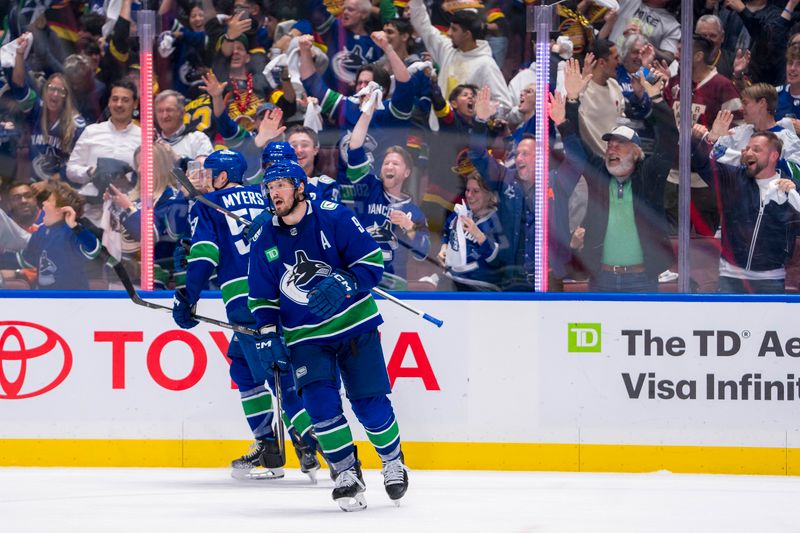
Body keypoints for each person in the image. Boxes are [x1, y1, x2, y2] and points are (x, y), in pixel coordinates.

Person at [247, 160, 409, 511]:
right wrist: (268, 335)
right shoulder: (264, 239)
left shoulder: (333, 216)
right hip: (305, 338)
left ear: (299, 187)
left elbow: (371, 262)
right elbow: (262, 298)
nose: (274, 192)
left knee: (370, 404)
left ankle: (393, 461)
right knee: (320, 406)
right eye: (269, 186)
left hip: (354, 325)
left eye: (281, 185)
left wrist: (346, 281)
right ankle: (346, 472)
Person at [172, 149, 322, 481]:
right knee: (244, 368)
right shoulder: (265, 195)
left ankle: (312, 442)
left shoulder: (208, 206)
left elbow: (206, 253)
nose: (206, 179)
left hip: (246, 298)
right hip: (283, 290)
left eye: (210, 173)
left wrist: (189, 295)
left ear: (223, 177)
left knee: (275, 374)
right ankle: (269, 447)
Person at [552, 62, 677, 293]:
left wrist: (657, 99)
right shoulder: (599, 173)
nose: (612, 149)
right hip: (602, 277)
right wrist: (571, 101)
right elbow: (576, 146)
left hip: (642, 279)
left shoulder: (649, 176)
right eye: (609, 144)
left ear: (636, 152)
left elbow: (669, 139)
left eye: (620, 144)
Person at [692, 121, 800, 293]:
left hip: (770, 279)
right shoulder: (733, 179)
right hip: (730, 276)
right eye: (747, 148)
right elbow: (701, 163)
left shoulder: (790, 189)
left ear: (773, 156)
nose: (747, 153)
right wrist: (709, 139)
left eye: (756, 150)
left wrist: (794, 198)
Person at [347, 101, 431, 290]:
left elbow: (422, 253)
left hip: (395, 282)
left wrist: (409, 227)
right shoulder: (369, 188)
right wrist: (367, 114)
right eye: (386, 163)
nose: (389, 167)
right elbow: (354, 148)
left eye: (395, 164)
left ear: (407, 172)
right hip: (362, 275)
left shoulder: (413, 211)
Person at [10, 33, 86, 184]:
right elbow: (19, 85)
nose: (55, 94)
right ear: (45, 91)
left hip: (61, 187)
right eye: (51, 88)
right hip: (33, 182)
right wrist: (19, 54)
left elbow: (81, 161)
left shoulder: (77, 124)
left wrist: (49, 183)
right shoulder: (36, 109)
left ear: (66, 96)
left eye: (60, 91)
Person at [408, 0, 512, 110]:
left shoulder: (486, 65)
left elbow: (504, 105)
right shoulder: (447, 49)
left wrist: (474, 111)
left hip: (466, 127)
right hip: (437, 124)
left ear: (467, 34)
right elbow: (423, 26)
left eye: (454, 29)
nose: (449, 33)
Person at [66, 78, 141, 227]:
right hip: (89, 212)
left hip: (124, 215)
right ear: (109, 102)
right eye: (115, 99)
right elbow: (70, 169)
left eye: (125, 100)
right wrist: (91, 172)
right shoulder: (91, 131)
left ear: (135, 104)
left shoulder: (143, 137)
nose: (119, 104)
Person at [17, 181, 101, 290]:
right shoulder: (41, 231)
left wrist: (75, 227)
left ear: (60, 210)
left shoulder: (74, 232)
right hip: (46, 299)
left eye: (48, 201)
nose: (43, 203)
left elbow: (94, 250)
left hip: (74, 300)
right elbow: (26, 259)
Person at [438, 174, 507, 291]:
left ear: (489, 194)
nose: (469, 195)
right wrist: (444, 248)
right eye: (468, 190)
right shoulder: (461, 212)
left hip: (480, 287)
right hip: (451, 280)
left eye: (476, 191)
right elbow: (447, 233)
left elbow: (498, 261)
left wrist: (478, 234)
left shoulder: (498, 220)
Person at [154, 90, 214, 160]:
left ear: (182, 113)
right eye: (160, 111)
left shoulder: (198, 139)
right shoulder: (152, 145)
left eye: (169, 110)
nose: (164, 116)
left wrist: (177, 158)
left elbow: (204, 169)